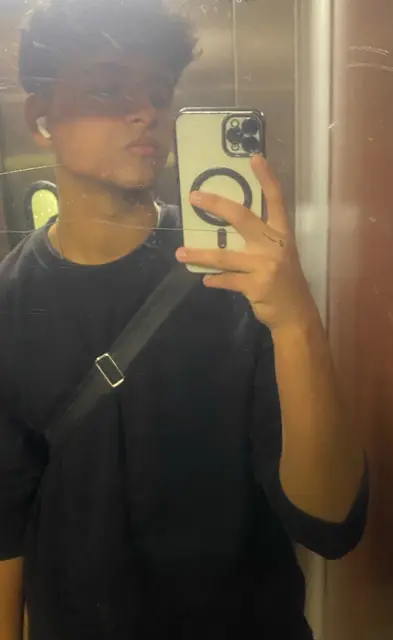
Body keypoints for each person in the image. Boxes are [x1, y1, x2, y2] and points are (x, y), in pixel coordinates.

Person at [0, 0, 368, 638]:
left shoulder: (238, 277)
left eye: (160, 93)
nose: (146, 111)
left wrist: (296, 320)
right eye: (108, 88)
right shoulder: (8, 303)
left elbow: (330, 523)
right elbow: (5, 521)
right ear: (41, 118)